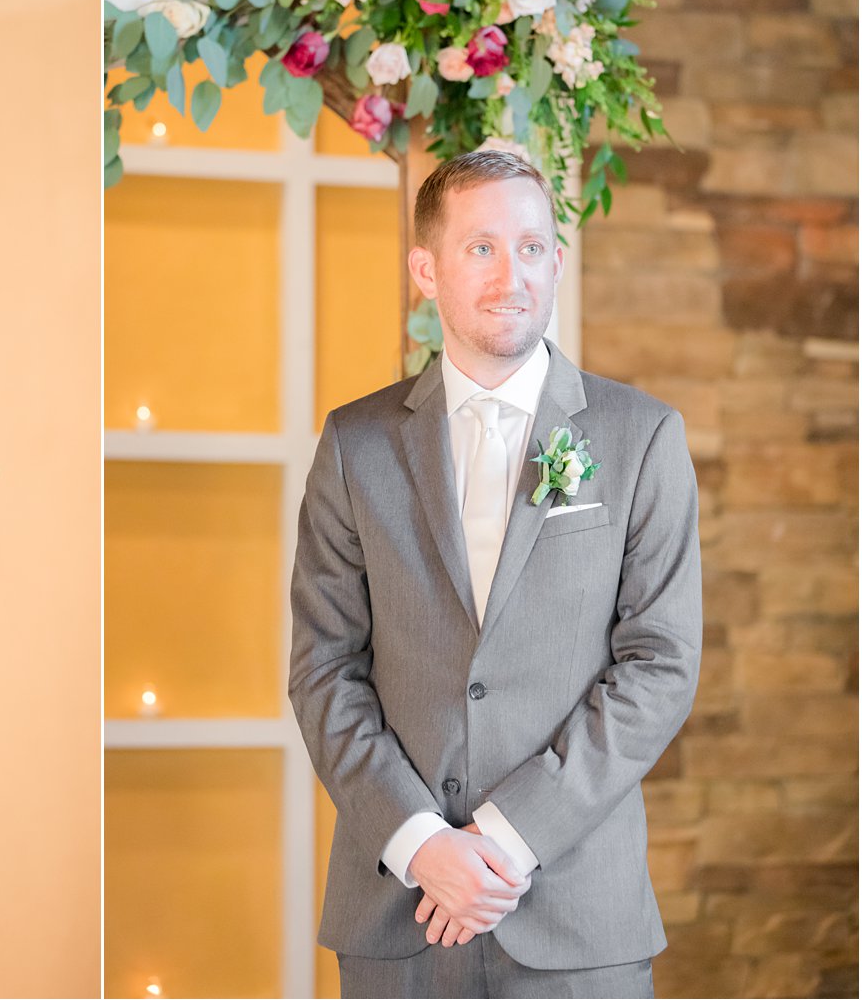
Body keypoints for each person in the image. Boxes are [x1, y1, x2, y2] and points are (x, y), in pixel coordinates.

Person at [289, 149, 702, 999]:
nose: (510, 273)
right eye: (480, 248)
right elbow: (325, 668)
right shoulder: (353, 444)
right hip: (399, 917)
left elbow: (659, 666)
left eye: (532, 246)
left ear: (557, 259)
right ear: (425, 270)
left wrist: (508, 839)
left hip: (578, 916)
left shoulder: (642, 437)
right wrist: (421, 843)